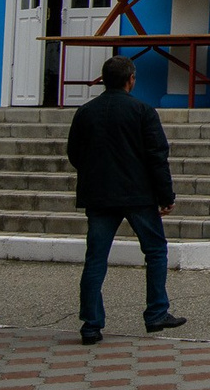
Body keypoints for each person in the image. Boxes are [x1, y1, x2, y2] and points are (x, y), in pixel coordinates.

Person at [66, 55, 185, 344]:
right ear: (131, 80)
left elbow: (74, 154)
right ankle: (156, 312)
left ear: (104, 79)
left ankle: (91, 324)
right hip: (138, 194)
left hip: (99, 194)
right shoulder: (143, 111)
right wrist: (165, 195)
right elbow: (157, 156)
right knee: (155, 250)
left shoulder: (85, 112)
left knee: (95, 258)